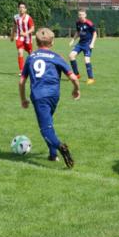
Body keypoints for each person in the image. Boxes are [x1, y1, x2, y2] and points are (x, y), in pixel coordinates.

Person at [19, 28, 80, 168]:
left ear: (36, 41)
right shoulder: (57, 57)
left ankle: (60, 147)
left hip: (39, 96)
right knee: (49, 123)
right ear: (52, 42)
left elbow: (21, 81)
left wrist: (23, 99)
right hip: (54, 95)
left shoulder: (31, 57)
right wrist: (76, 89)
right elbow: (73, 77)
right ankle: (53, 155)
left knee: (45, 129)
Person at [69, 9, 97, 85]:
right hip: (80, 43)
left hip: (87, 44)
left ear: (85, 15)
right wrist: (73, 40)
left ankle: (91, 78)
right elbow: (78, 32)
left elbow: (95, 34)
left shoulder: (89, 23)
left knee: (86, 60)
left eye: (82, 14)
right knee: (71, 56)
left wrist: (92, 43)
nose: (80, 16)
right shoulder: (77, 23)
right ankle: (76, 74)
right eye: (79, 15)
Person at [11, 1, 35, 74]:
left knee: (31, 54)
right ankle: (22, 71)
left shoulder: (28, 18)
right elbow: (14, 27)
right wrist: (12, 36)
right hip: (19, 38)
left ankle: (34, 67)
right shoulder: (15, 17)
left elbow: (32, 29)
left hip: (28, 39)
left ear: (25, 9)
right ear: (18, 8)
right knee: (20, 52)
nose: (21, 9)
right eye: (20, 7)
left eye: (23, 7)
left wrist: (25, 33)